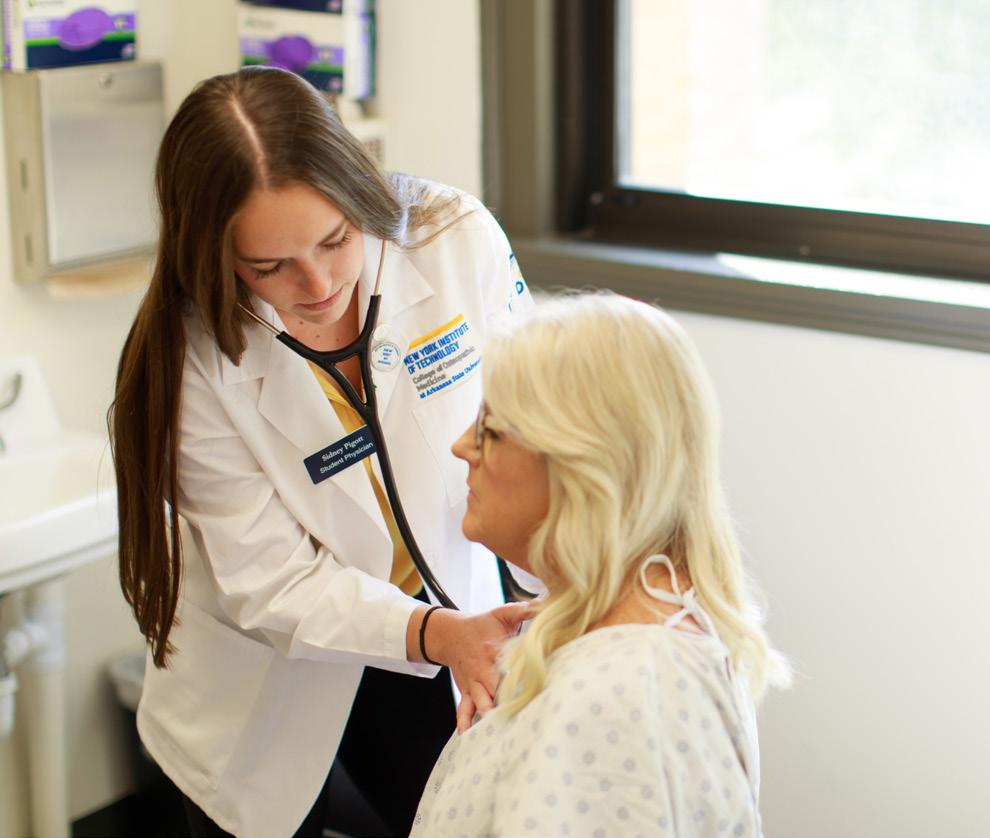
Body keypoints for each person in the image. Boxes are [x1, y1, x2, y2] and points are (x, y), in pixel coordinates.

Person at [109, 66, 538, 838]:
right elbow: (273, 579)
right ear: (213, 254)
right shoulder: (189, 361)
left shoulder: (452, 239)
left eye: (336, 239)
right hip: (264, 678)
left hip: (439, 626)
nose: (317, 283)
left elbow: (540, 435)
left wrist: (567, 600)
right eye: (269, 266)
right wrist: (440, 635)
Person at [410, 292, 791, 837]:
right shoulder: (642, 624)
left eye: (488, 430)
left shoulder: (613, 694)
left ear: (582, 467)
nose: (460, 448)